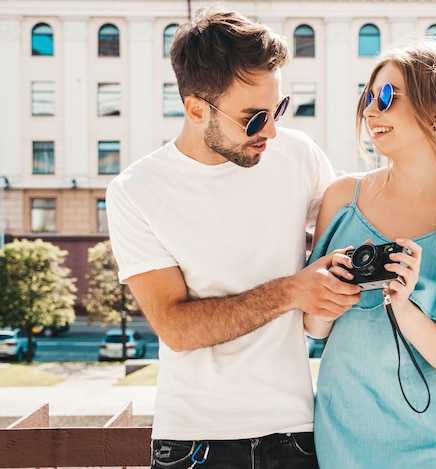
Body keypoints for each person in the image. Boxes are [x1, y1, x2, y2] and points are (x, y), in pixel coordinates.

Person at [105, 7, 361, 469]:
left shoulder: (298, 155)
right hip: (193, 439)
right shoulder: (136, 191)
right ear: (196, 108)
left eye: (277, 109)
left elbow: (362, 223)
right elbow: (177, 329)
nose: (272, 131)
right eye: (254, 117)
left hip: (297, 431)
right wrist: (290, 291)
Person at [304, 39, 436, 468]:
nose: (371, 111)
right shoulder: (342, 198)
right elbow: (314, 329)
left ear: (435, 110)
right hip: (342, 438)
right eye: (368, 98)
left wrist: (406, 304)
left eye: (387, 96)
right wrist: (331, 288)